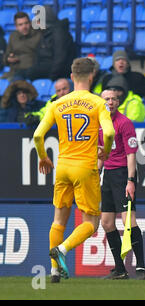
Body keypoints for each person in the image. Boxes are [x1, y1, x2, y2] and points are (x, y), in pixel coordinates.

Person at [33, 57, 115, 283]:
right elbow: (108, 133)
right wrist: (105, 152)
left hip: (63, 167)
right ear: (92, 77)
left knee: (58, 220)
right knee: (91, 223)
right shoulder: (98, 103)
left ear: (71, 77)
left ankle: (54, 270)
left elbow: (38, 135)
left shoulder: (57, 103)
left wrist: (43, 157)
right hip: (85, 167)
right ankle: (63, 249)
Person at [98, 89, 145, 280]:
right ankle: (120, 269)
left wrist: (130, 181)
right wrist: (96, 173)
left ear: (118, 102)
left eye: (113, 99)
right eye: (107, 99)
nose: (110, 102)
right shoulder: (100, 123)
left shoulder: (124, 123)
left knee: (129, 221)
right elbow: (102, 154)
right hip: (109, 176)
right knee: (107, 222)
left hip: (122, 174)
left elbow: (131, 155)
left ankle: (141, 268)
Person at [15, 6, 76, 81]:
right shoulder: (46, 32)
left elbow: (60, 58)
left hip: (59, 71)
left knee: (24, 73)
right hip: (49, 67)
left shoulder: (59, 33)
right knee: (20, 72)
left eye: (38, 20)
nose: (36, 23)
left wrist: (53, 77)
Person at [2, 11, 41, 81]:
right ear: (16, 27)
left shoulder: (38, 35)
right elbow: (6, 56)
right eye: (20, 25)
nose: (24, 27)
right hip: (14, 71)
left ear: (30, 23)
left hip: (31, 71)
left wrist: (19, 58)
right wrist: (8, 59)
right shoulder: (13, 36)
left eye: (26, 23)